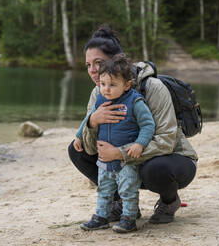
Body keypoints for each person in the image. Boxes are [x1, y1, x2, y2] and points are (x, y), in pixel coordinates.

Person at [68, 25, 197, 224]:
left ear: (117, 59)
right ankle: (124, 204)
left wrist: (120, 153)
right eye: (87, 65)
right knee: (77, 150)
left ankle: (169, 201)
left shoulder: (152, 87)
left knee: (156, 169)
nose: (92, 70)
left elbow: (166, 142)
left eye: (98, 62)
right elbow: (92, 148)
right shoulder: (98, 93)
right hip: (126, 165)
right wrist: (92, 123)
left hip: (170, 160)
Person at [80, 54, 155, 233]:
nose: (106, 89)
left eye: (112, 85)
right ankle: (101, 217)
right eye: (103, 84)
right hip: (105, 160)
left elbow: (148, 125)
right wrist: (78, 136)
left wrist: (139, 144)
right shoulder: (101, 99)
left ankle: (129, 219)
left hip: (126, 158)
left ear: (127, 85)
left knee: (128, 190)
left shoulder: (134, 102)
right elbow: (87, 120)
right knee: (104, 190)